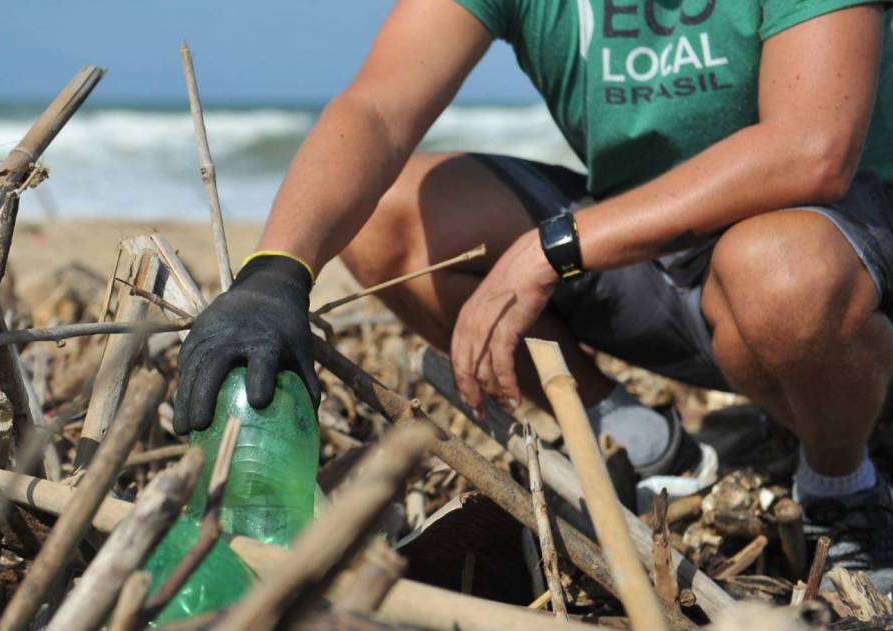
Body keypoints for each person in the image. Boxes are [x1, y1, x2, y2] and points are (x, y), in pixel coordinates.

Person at [174, 0, 893, 588]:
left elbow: (812, 149)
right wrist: (277, 269)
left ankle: (843, 484)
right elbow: (377, 111)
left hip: (832, 255)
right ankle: (641, 442)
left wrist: (559, 246)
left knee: (779, 272)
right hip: (650, 255)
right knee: (392, 214)